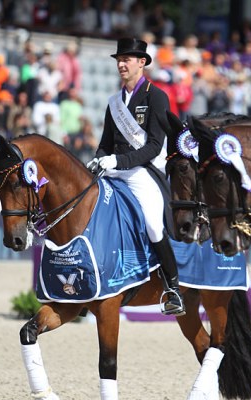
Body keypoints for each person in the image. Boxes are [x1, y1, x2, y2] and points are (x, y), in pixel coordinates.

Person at [87, 38, 185, 316]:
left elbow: (154, 145)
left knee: (154, 225)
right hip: (116, 169)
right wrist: (98, 159)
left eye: (127, 59)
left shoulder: (156, 96)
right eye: (119, 59)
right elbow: (106, 142)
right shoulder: (114, 102)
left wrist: (118, 160)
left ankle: (173, 288)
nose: (121, 64)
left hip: (145, 171)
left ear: (141, 62)